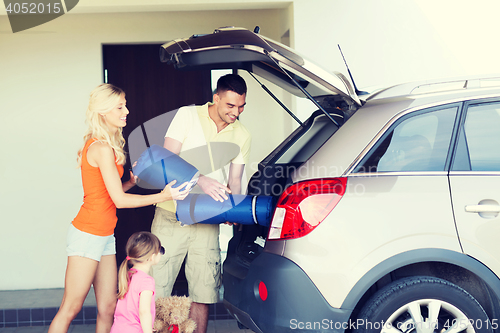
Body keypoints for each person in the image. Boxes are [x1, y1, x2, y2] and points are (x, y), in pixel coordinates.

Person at [48, 83, 190, 333]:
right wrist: (163, 195)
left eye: (125, 104)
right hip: (88, 234)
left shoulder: (107, 146)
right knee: (71, 307)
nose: (126, 110)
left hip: (104, 235)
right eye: (120, 106)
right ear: (104, 112)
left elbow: (107, 194)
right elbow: (119, 202)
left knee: (108, 308)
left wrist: (131, 182)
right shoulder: (100, 148)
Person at [151, 73, 251, 333]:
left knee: (204, 292)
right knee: (156, 287)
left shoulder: (242, 134)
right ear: (216, 98)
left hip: (208, 219)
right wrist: (200, 179)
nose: (236, 113)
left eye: (241, 106)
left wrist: (233, 210)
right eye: (230, 105)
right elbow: (166, 159)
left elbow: (236, 181)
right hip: (171, 214)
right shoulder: (187, 115)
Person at [110, 232, 163, 333]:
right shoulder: (146, 281)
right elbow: (144, 312)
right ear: (152, 257)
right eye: (160, 250)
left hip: (117, 329)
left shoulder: (127, 275)